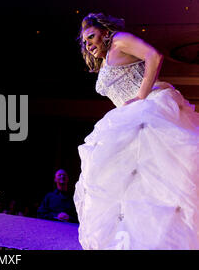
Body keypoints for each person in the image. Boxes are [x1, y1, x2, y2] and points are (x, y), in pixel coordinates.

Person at [74, 13, 199, 250]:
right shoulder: (106, 59)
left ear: (105, 31)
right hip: (131, 119)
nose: (89, 44)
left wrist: (140, 98)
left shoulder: (120, 40)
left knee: (157, 176)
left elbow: (154, 56)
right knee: (128, 182)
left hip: (150, 109)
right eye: (85, 42)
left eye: (92, 36)